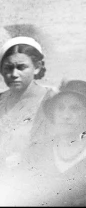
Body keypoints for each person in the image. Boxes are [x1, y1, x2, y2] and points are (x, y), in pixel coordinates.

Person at [11, 80, 86, 206]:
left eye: (75, 109)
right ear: (53, 114)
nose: (66, 115)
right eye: (60, 108)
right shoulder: (35, 153)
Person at [0, 37, 54, 165]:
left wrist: (24, 158)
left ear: (37, 67)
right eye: (8, 68)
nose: (14, 74)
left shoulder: (54, 99)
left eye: (21, 67)